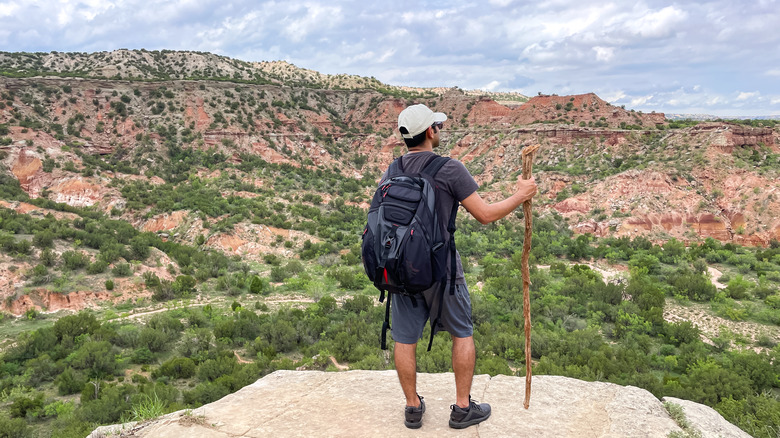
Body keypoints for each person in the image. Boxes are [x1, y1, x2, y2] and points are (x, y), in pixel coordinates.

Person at [391, 104, 538, 429]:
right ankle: (461, 409)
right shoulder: (449, 168)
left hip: (401, 269)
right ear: (431, 132)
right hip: (442, 271)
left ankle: (413, 408)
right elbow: (485, 214)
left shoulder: (393, 170)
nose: (439, 130)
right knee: (462, 333)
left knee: (404, 338)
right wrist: (521, 193)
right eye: (437, 126)